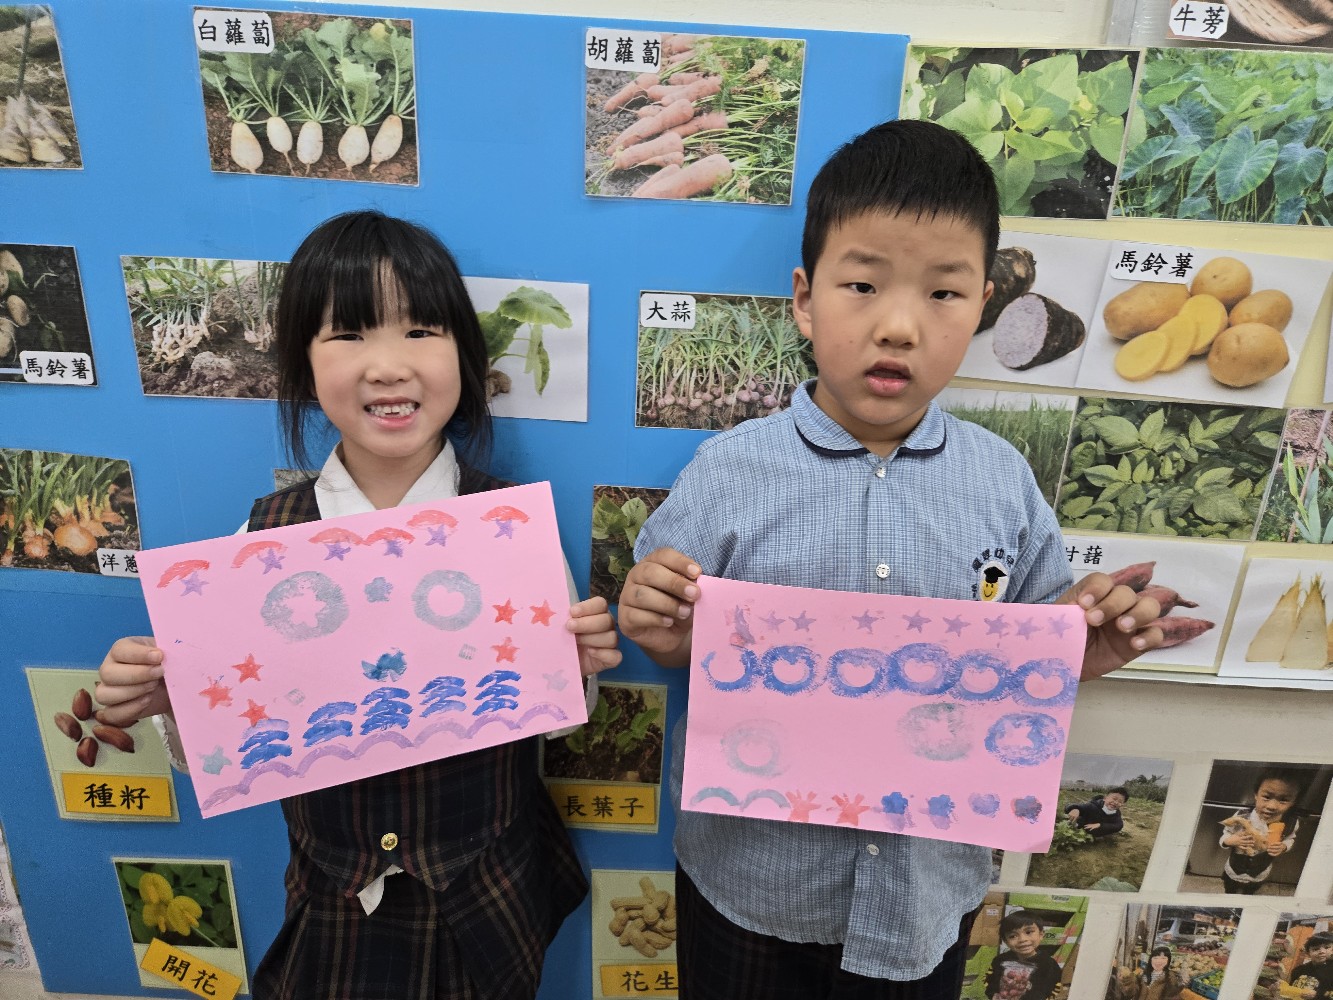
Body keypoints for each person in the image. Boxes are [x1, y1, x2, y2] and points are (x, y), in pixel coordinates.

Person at [618, 118, 1164, 998]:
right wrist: (662, 628)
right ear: (805, 300)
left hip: (923, 895)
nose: (899, 326)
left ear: (981, 306)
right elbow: (674, 633)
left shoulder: (1001, 481)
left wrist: (1080, 649)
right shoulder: (728, 472)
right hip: (753, 882)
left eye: (943, 293)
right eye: (862, 285)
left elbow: (1032, 653)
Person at [95, 211, 621, 999]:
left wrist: (576, 667)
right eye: (347, 334)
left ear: (465, 356)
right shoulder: (259, 544)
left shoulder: (509, 531)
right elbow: (222, 743)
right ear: (301, 364)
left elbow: (553, 718)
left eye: (421, 331)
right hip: (334, 900)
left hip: (489, 894)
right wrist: (174, 700)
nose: (387, 366)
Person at [1219, 768, 1304, 894]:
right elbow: (1226, 833)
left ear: (1293, 802)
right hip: (1234, 869)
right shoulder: (1241, 816)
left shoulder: (1291, 823)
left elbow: (1290, 838)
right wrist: (1229, 841)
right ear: (1256, 795)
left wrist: (1284, 847)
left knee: (1250, 891)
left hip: (1259, 872)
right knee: (1229, 889)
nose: (1272, 806)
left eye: (1283, 800)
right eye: (1266, 797)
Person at [984, 911, 1063, 1000]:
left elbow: (1055, 987)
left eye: (1028, 932)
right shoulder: (1000, 960)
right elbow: (989, 979)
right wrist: (993, 995)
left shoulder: (1049, 964)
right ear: (1005, 941)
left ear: (1041, 935)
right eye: (1013, 936)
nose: (1022, 939)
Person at [1288, 932, 1333, 1000]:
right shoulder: (1298, 970)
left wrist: (1318, 995)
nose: (1322, 951)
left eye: (1326, 947)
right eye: (1316, 949)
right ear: (1308, 953)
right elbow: (1290, 992)